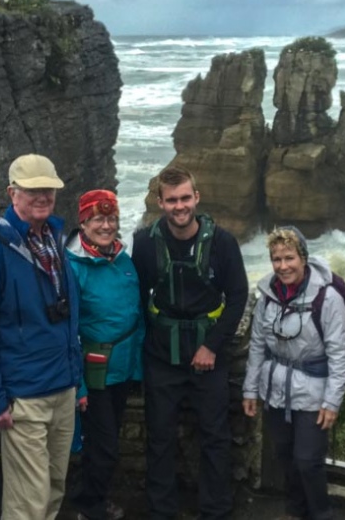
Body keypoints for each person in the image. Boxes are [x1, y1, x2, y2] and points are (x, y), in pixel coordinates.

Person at [0, 154, 82, 520]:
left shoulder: (54, 239)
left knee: (54, 487)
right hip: (24, 397)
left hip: (63, 387)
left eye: (48, 188)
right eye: (32, 190)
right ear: (13, 193)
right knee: (28, 502)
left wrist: (76, 379)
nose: (43, 196)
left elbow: (68, 314)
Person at [131, 165, 248, 520]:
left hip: (209, 356)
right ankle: (161, 510)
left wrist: (211, 345)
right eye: (171, 200)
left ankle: (216, 509)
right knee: (160, 437)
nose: (179, 206)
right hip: (161, 357)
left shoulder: (223, 243)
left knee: (215, 436)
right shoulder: (144, 243)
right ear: (160, 202)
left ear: (196, 197)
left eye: (185, 198)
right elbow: (136, 295)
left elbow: (238, 295)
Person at [242, 226, 345, 520]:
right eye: (276, 259)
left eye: (289, 258)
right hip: (276, 389)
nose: (283, 266)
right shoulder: (267, 295)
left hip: (313, 390)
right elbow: (257, 345)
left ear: (303, 257)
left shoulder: (327, 298)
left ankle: (321, 513)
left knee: (307, 460)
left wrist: (332, 402)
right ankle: (295, 512)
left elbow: (339, 353)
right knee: (285, 457)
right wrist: (250, 390)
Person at [66, 189, 145, 520]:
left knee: (105, 442)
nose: (106, 225)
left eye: (112, 218)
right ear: (83, 224)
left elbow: (136, 315)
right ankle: (89, 507)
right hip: (93, 368)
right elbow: (67, 330)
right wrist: (78, 385)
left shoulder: (123, 259)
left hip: (124, 368)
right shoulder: (72, 267)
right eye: (98, 219)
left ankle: (91, 500)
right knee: (105, 447)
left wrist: (137, 368)